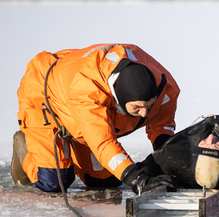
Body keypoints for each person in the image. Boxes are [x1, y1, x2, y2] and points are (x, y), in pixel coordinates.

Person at [11, 43, 180, 194]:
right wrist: (137, 179)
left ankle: (76, 140)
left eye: (148, 106)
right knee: (54, 181)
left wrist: (164, 157)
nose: (144, 113)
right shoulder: (87, 94)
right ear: (119, 100)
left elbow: (162, 123)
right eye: (137, 108)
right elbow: (104, 143)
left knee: (104, 182)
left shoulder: (164, 86)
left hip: (74, 89)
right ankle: (25, 147)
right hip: (43, 92)